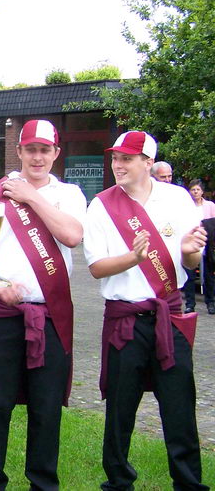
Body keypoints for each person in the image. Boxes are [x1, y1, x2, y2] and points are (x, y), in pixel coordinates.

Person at [0, 119, 87, 491]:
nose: (38, 157)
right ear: (19, 151)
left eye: (45, 150)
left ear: (56, 154)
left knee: (46, 409)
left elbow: (72, 236)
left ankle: (43, 484)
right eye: (31, 149)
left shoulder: (70, 195)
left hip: (50, 315)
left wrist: (30, 196)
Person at [83, 130, 209, 490]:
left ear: (148, 162)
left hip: (171, 316)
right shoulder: (103, 205)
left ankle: (188, 483)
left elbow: (192, 260)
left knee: (179, 407)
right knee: (120, 409)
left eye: (126, 158)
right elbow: (96, 268)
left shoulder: (177, 198)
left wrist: (189, 250)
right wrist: (133, 258)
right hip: (125, 320)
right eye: (115, 158)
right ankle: (118, 482)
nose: (117, 165)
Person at [182, 179, 215, 314]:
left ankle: (211, 302)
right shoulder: (186, 206)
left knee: (208, 274)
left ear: (202, 191)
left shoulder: (210, 206)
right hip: (190, 241)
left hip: (206, 242)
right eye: (193, 190)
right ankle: (190, 303)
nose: (195, 192)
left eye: (198, 190)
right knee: (189, 274)